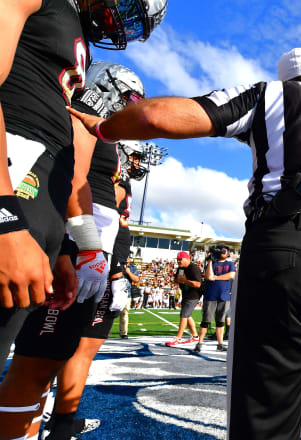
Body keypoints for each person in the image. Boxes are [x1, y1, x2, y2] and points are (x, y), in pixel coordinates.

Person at [68, 47, 301, 440]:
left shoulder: (268, 95)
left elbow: (154, 115)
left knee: (267, 414)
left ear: (285, 81)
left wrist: (104, 129)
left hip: (283, 246)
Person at [0, 1, 165, 439]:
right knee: (39, 358)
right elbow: (76, 184)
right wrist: (85, 246)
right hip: (27, 206)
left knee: (46, 355)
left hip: (50, 223)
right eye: (129, 98)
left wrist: (75, 249)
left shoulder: (71, 47)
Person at [195, 245, 235, 353]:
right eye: (222, 251)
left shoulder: (230, 263)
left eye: (225, 251)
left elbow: (231, 275)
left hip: (224, 295)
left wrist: (216, 277)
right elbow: (208, 276)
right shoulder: (212, 263)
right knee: (206, 320)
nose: (224, 252)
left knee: (220, 320)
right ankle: (199, 343)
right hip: (210, 295)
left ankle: (220, 344)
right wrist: (210, 261)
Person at [165, 251, 201, 346]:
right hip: (185, 294)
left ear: (187, 259)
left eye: (180, 259)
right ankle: (195, 336)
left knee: (184, 315)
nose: (178, 261)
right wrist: (178, 280)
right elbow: (176, 279)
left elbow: (198, 284)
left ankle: (178, 338)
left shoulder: (194, 268)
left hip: (193, 295)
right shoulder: (181, 268)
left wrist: (185, 281)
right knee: (188, 315)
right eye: (177, 259)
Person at [122, 255, 140, 337]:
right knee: (110, 314)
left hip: (127, 293)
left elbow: (136, 279)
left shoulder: (133, 268)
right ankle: (106, 332)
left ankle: (123, 333)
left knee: (125, 314)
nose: (127, 258)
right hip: (115, 292)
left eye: (128, 257)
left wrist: (128, 272)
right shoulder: (117, 265)